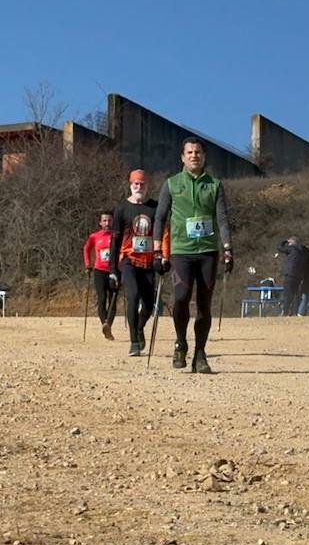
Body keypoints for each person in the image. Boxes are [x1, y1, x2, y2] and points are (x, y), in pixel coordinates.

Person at [152, 137, 234, 373]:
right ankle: (181, 342)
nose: (194, 156)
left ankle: (200, 353)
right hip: (181, 251)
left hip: (208, 250)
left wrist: (228, 248)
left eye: (198, 152)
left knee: (204, 305)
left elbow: (223, 218)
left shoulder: (215, 185)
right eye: (189, 152)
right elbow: (160, 217)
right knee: (181, 297)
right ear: (182, 157)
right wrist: (158, 251)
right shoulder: (171, 184)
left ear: (204, 156)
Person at [107, 169, 161, 356]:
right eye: (136, 184)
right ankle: (134, 341)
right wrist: (112, 269)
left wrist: (161, 256)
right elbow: (114, 240)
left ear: (148, 186)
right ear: (130, 185)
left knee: (148, 305)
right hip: (128, 260)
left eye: (142, 184)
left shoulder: (155, 207)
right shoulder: (122, 209)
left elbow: (163, 234)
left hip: (148, 262)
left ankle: (139, 327)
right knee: (133, 294)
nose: (139, 187)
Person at [82, 210, 118, 340]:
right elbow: (86, 248)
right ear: (100, 222)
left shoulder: (116, 236)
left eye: (109, 220)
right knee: (102, 299)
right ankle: (105, 324)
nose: (107, 223)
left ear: (112, 221)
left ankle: (108, 325)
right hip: (99, 270)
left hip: (114, 271)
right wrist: (87, 264)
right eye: (104, 220)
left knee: (113, 299)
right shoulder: (94, 236)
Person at [276, 237, 309, 316]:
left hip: (289, 274)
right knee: (295, 295)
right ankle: (294, 312)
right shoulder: (302, 251)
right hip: (298, 275)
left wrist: (284, 241)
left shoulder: (292, 249)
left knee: (287, 294)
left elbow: (279, 248)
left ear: (292, 243)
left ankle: (285, 312)